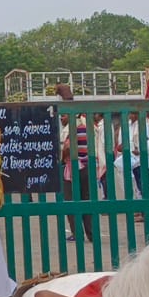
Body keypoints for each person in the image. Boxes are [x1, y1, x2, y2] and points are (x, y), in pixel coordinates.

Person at [55, 85, 97, 245]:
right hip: (87, 167)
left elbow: (66, 148)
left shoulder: (71, 127)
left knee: (71, 202)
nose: (61, 117)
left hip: (72, 169)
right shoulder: (87, 124)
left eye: (63, 115)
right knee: (86, 200)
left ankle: (77, 234)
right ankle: (91, 233)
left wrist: (62, 156)